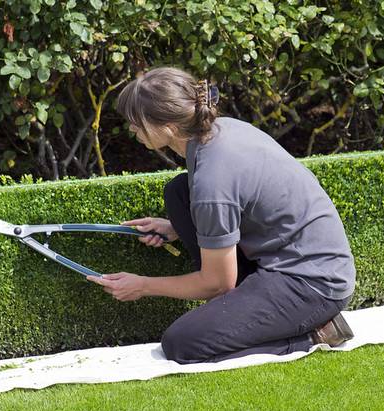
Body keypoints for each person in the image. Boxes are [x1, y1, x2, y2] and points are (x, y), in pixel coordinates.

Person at [86, 67, 356, 364]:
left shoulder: (213, 179)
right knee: (178, 193)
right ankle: (243, 312)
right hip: (291, 258)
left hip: (312, 283)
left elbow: (217, 284)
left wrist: (143, 285)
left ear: (167, 126)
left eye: (136, 123)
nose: (132, 130)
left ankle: (315, 333)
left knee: (181, 343)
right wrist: (175, 228)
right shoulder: (218, 131)